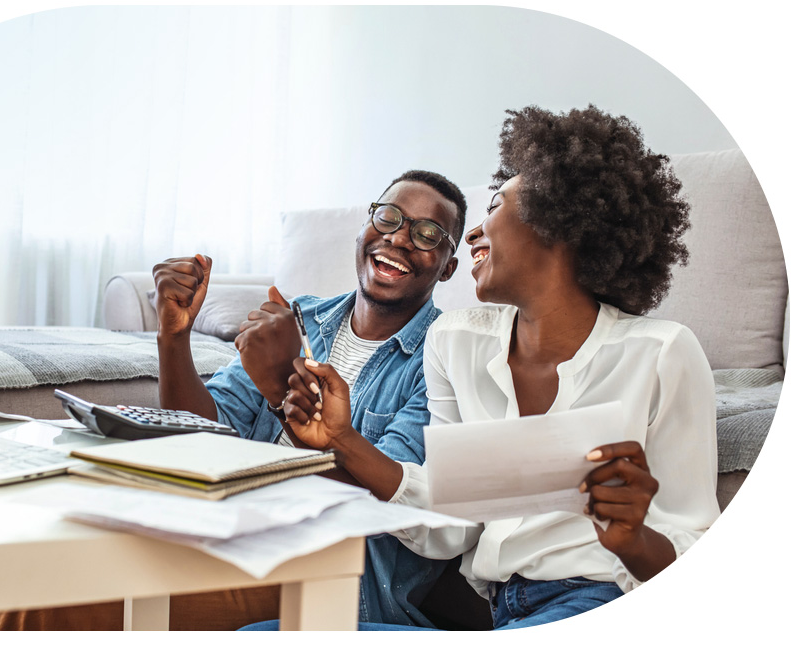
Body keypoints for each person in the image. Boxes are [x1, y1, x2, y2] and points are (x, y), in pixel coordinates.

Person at [246, 105, 721, 631]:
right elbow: (450, 525)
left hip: (605, 603)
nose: (472, 233)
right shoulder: (457, 342)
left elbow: (694, 553)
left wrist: (632, 539)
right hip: (501, 612)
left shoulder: (662, 353)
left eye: (494, 206)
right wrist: (341, 439)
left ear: (557, 222)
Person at [152, 169, 467, 628]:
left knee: (76, 604)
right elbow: (200, 431)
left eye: (426, 234)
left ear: (448, 267)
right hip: (224, 531)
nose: (399, 238)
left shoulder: (444, 355)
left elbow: (384, 498)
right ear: (364, 227)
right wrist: (172, 336)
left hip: (322, 578)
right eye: (388, 217)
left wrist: (282, 393)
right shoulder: (303, 318)